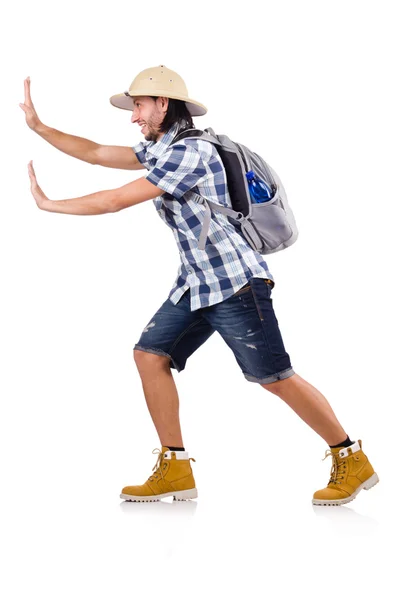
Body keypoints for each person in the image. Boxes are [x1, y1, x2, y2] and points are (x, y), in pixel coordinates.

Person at [20, 65, 379, 507]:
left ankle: (350, 457)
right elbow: (96, 152)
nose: (134, 117)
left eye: (138, 106)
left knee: (274, 378)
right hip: (196, 283)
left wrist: (52, 204)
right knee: (150, 354)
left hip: (235, 283)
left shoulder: (189, 153)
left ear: (163, 104)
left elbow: (115, 200)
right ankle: (175, 468)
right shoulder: (164, 147)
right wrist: (39, 127)